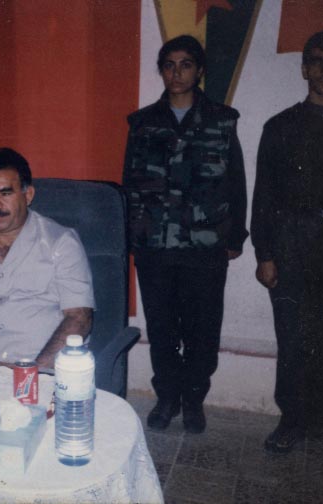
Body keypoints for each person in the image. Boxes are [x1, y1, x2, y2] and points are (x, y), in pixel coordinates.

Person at [122, 35, 248, 434]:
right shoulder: (142, 123)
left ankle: (193, 400)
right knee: (161, 330)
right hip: (155, 247)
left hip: (203, 248)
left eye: (186, 64)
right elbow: (130, 185)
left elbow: (236, 183)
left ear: (199, 71)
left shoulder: (222, 121)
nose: (177, 73)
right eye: (169, 65)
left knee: (202, 331)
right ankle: (167, 398)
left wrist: (235, 238)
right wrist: (132, 238)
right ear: (162, 71)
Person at [251, 30, 323, 453]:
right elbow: (264, 196)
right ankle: (292, 420)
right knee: (294, 337)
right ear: (304, 70)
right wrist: (265, 254)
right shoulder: (281, 126)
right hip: (294, 242)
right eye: (317, 61)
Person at [0, 147, 95, 369]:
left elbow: (79, 318)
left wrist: (32, 374)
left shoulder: (61, 243)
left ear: (28, 195)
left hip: (45, 369)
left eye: (5, 193)